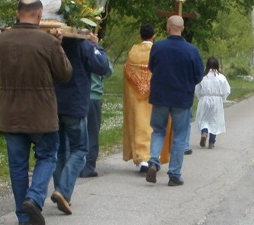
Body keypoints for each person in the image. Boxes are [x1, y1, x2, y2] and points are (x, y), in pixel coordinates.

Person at [0, 0, 72, 225]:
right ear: (40, 15)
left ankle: (23, 217)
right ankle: (33, 198)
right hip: (42, 113)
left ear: (17, 13)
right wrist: (59, 45)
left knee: (17, 165)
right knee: (47, 156)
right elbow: (65, 74)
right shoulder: (48, 42)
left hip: (11, 111)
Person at [51, 32, 111, 215]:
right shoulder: (81, 45)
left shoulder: (52, 44)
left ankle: (61, 191)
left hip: (53, 103)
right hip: (75, 104)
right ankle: (63, 191)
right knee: (79, 150)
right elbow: (102, 67)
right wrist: (96, 45)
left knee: (59, 151)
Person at [146, 15, 204, 186]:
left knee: (158, 130)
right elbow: (199, 75)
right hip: (182, 97)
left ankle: (154, 161)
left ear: (167, 27)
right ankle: (174, 174)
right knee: (179, 136)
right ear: (183, 28)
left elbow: (151, 67)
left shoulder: (158, 47)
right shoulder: (192, 50)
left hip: (160, 96)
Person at [123, 24, 171, 172]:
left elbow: (127, 70)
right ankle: (152, 156)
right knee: (155, 126)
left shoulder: (133, 52)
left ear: (140, 36)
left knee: (138, 124)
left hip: (136, 98)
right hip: (154, 95)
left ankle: (140, 159)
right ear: (154, 36)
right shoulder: (159, 51)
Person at [79, 61, 113, 178]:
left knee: (74, 132)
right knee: (92, 132)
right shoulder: (94, 52)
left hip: (76, 96)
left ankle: (73, 165)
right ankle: (88, 166)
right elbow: (107, 70)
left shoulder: (70, 49)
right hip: (93, 95)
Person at [195, 56, 231, 149]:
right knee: (214, 121)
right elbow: (226, 90)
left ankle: (204, 132)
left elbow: (197, 89)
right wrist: (222, 99)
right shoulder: (221, 77)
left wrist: (201, 98)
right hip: (216, 99)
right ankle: (211, 142)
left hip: (204, 98)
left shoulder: (202, 76)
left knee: (203, 119)